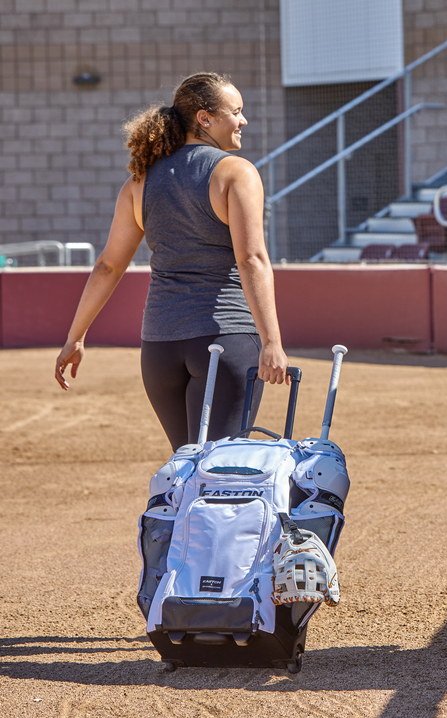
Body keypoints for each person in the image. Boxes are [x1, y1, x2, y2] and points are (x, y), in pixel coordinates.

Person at [54, 72, 289, 451]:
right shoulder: (236, 172)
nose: (243, 120)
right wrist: (272, 341)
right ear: (205, 118)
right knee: (219, 471)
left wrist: (75, 337)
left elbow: (108, 266)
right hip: (223, 340)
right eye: (236, 112)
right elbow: (251, 259)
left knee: (187, 468)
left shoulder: (138, 182)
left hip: (160, 349)